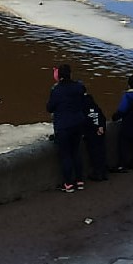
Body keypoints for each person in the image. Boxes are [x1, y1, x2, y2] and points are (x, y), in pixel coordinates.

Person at [46, 63, 89, 192]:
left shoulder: (57, 90)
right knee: (76, 152)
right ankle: (80, 181)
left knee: (66, 155)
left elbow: (50, 108)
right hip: (78, 123)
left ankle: (68, 184)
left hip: (63, 126)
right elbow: (83, 99)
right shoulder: (79, 87)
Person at [82, 90, 110, 181]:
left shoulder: (81, 103)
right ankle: (103, 172)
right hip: (99, 130)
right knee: (101, 151)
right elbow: (100, 115)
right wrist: (101, 126)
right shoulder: (92, 102)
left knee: (94, 153)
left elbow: (85, 120)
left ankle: (97, 173)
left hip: (92, 133)